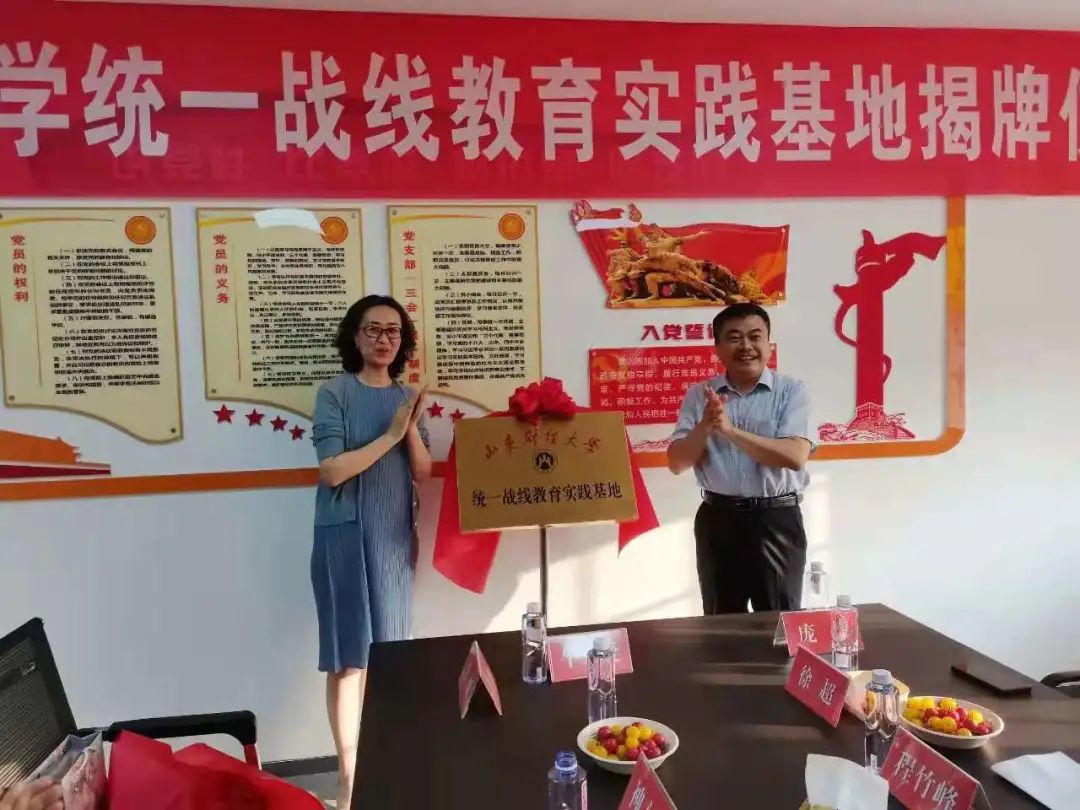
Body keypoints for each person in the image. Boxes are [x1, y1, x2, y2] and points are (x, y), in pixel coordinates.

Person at [311, 295, 432, 810]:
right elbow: (333, 470)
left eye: (393, 331)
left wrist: (410, 429)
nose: (384, 339)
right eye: (373, 330)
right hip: (343, 537)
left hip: (392, 538)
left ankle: (386, 769)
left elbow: (423, 471)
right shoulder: (334, 392)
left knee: (390, 659)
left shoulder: (406, 396)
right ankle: (348, 781)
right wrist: (391, 434)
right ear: (355, 337)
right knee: (348, 661)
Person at [667, 303, 813, 615]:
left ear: (769, 345)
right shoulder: (700, 395)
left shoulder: (791, 391)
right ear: (718, 348)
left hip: (776, 519)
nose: (746, 346)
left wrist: (730, 431)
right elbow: (677, 463)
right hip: (718, 519)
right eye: (734, 338)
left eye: (755, 336)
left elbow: (795, 456)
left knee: (778, 619)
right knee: (721, 619)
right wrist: (706, 425)